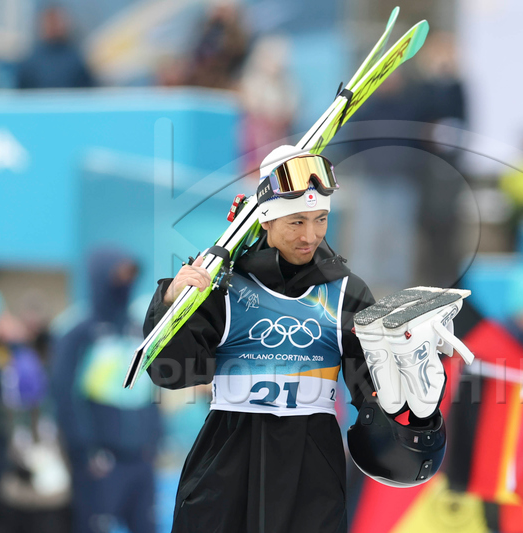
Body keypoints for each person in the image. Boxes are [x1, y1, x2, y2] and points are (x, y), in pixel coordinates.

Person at [144, 146, 377, 533]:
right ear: (265, 220)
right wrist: (170, 303)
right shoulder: (223, 284)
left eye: (320, 219)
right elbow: (171, 372)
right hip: (227, 464)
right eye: (296, 221)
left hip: (311, 472)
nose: (310, 235)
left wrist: (410, 359)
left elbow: (374, 393)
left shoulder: (347, 293)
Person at [51, 249, 160, 533]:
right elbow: (63, 394)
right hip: (101, 462)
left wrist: (154, 440)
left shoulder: (139, 329)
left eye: (131, 274)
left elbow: (150, 390)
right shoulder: (78, 331)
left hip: (141, 460)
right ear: (102, 276)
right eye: (119, 274)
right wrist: (85, 450)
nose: (126, 281)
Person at [16, 5, 94, 89]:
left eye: (57, 22)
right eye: (50, 22)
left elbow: (87, 89)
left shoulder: (76, 59)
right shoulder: (31, 62)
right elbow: (23, 91)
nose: (54, 26)